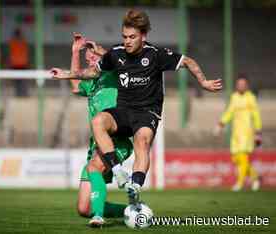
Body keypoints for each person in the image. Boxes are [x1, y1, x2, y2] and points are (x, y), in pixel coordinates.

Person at [51, 9, 222, 205]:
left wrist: (203, 82)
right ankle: (118, 171)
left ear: (143, 36)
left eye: (132, 37)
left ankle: (135, 186)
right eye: (124, 37)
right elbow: (92, 72)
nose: (127, 41)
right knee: (98, 121)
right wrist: (66, 74)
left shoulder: (156, 55)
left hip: (147, 112)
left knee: (142, 141)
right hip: (123, 110)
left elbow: (188, 61)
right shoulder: (116, 54)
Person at [67, 33, 133, 227]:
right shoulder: (92, 81)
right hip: (97, 143)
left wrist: (100, 51)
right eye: (88, 60)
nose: (90, 62)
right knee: (83, 208)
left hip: (116, 138)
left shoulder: (114, 74)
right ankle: (132, 210)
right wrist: (75, 53)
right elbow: (75, 83)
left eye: (93, 58)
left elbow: (115, 58)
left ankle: (98, 216)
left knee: (94, 166)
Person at [214, 75, 262, 191]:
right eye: (239, 84)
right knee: (236, 159)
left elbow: (256, 116)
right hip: (236, 133)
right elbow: (229, 112)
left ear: (247, 86)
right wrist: (221, 124)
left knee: (243, 158)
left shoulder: (250, 98)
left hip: (247, 133)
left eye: (243, 84)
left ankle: (240, 184)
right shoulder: (234, 97)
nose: (240, 86)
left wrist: (258, 132)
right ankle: (255, 177)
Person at [8, 28, 29, 96]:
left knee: (18, 81)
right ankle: (23, 94)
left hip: (16, 64)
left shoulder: (13, 42)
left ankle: (19, 94)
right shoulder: (23, 41)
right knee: (22, 80)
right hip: (22, 64)